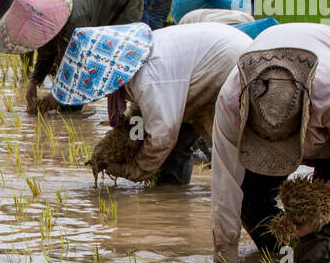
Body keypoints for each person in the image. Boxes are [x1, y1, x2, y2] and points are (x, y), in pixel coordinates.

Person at [210, 23, 330, 263]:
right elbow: (225, 187)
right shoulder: (231, 100)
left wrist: (319, 218)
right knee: (252, 202)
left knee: (319, 240)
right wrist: (225, 259)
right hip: (276, 88)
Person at [53, 22, 253, 185]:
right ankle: (173, 196)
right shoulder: (134, 59)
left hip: (231, 67)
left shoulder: (148, 78)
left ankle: (245, 195)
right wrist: (125, 141)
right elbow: (142, 114)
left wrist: (135, 170)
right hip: (211, 65)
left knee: (229, 150)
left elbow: (162, 134)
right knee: (181, 143)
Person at [0, 0, 144, 113]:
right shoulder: (44, 17)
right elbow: (47, 52)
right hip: (95, 1)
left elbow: (85, 64)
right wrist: (34, 81)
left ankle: (129, 112)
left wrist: (53, 100)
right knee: (63, 66)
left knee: (116, 57)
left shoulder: (75, 24)